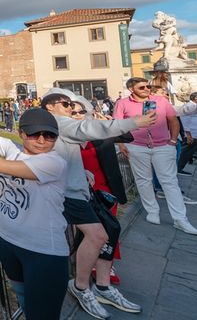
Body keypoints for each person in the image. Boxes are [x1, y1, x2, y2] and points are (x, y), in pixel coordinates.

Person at [0, 76, 69, 319]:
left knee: (43, 314)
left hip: (42, 251)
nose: (41, 140)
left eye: (49, 136)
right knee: (25, 303)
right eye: (34, 134)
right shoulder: (14, 149)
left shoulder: (53, 162)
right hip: (8, 239)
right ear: (21, 134)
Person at [41, 88, 153, 318]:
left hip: (80, 189)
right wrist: (134, 121)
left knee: (111, 229)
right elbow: (87, 130)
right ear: (50, 106)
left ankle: (102, 285)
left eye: (72, 105)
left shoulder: (63, 123)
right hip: (68, 193)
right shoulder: (58, 122)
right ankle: (81, 286)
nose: (71, 107)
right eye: (66, 103)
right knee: (97, 235)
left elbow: (77, 144)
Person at [113, 78, 197, 235]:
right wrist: (121, 144)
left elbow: (173, 120)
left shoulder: (160, 100)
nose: (146, 89)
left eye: (148, 86)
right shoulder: (122, 103)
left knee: (170, 181)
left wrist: (172, 141)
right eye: (142, 87)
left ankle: (181, 219)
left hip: (163, 145)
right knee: (143, 180)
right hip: (137, 146)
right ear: (131, 89)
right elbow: (117, 125)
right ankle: (152, 211)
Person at [71, 96, 129, 287]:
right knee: (93, 231)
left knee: (110, 228)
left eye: (81, 112)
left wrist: (109, 122)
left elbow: (128, 136)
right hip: (83, 190)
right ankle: (88, 263)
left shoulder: (98, 131)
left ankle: (107, 264)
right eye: (73, 112)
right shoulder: (66, 137)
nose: (78, 115)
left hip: (105, 188)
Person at [178, 91, 197, 171]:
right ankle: (177, 168)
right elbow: (184, 121)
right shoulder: (189, 106)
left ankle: (178, 168)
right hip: (193, 136)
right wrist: (188, 135)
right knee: (185, 153)